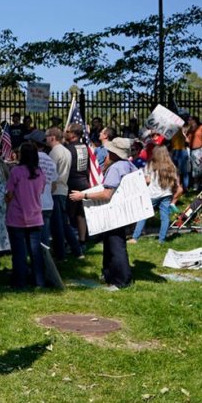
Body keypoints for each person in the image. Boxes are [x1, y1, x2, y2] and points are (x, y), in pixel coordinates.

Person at [70, 138, 137, 289]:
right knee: (111, 243)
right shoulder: (129, 165)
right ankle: (110, 275)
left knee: (116, 245)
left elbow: (107, 194)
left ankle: (122, 280)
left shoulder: (116, 168)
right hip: (124, 212)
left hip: (114, 213)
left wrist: (83, 196)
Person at [6, 143, 46, 289]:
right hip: (35, 216)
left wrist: (7, 201)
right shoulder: (40, 172)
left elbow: (9, 193)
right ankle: (39, 281)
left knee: (19, 252)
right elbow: (41, 190)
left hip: (17, 216)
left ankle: (19, 282)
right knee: (35, 252)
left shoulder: (16, 171)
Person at [131, 146, 184, 244]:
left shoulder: (150, 165)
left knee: (143, 215)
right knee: (165, 217)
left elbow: (147, 180)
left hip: (153, 194)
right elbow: (176, 181)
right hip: (166, 194)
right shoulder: (171, 166)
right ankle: (162, 239)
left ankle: (135, 238)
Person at [46, 128, 83, 260]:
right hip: (63, 187)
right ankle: (77, 250)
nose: (45, 139)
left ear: (52, 137)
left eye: (47, 137)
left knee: (57, 225)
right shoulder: (66, 150)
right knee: (63, 223)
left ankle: (60, 254)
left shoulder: (54, 152)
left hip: (55, 189)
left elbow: (50, 172)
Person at [64, 124, 92, 244]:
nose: (65, 132)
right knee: (81, 213)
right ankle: (82, 239)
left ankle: (71, 242)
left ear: (73, 135)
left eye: (68, 131)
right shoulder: (86, 147)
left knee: (69, 214)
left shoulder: (68, 149)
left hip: (71, 184)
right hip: (84, 183)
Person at [187, 116, 202, 191]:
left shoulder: (201, 127)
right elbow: (187, 139)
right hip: (193, 151)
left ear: (195, 121)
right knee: (195, 168)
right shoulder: (189, 130)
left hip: (201, 149)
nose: (190, 121)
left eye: (191, 120)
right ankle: (196, 184)